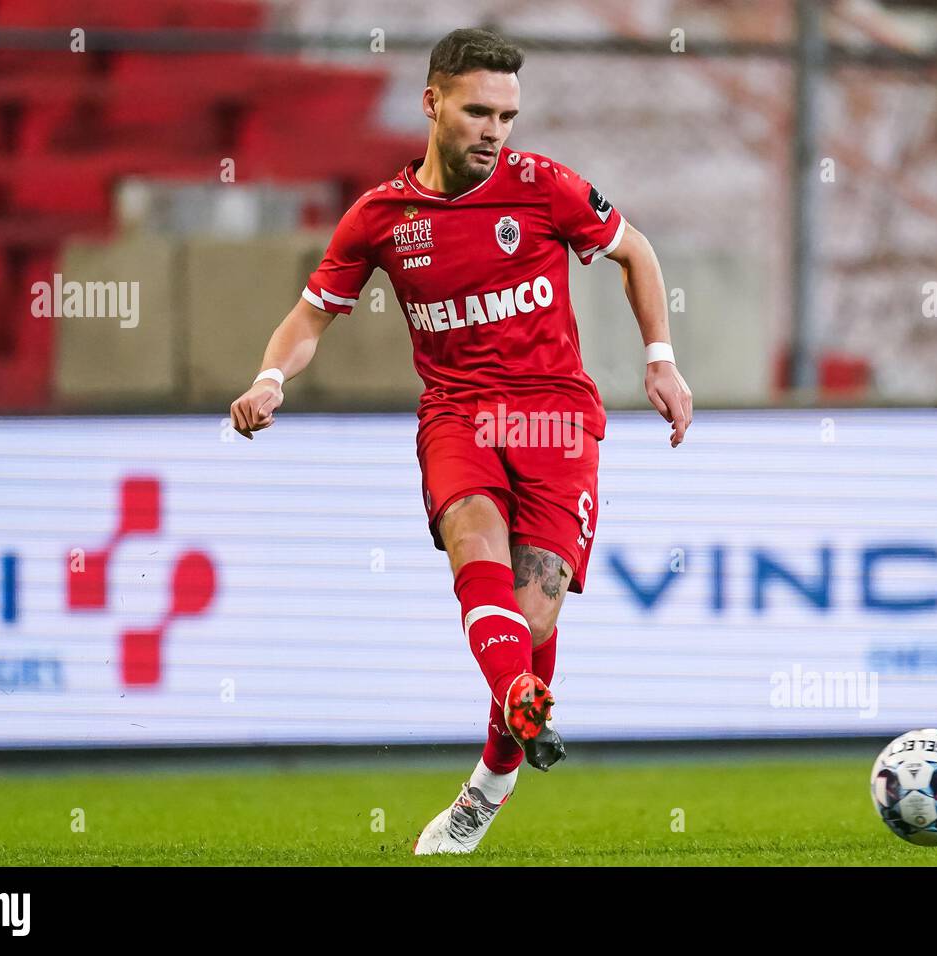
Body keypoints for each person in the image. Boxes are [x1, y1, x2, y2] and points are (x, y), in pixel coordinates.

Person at [229, 27, 692, 854]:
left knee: (535, 613)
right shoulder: (380, 217)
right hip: (458, 412)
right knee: (470, 531)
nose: (495, 130)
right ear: (432, 102)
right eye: (478, 111)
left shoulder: (545, 187)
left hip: (554, 416)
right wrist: (272, 379)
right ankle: (518, 700)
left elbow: (638, 252)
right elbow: (310, 316)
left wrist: (661, 361)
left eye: (507, 115)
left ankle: (492, 779)